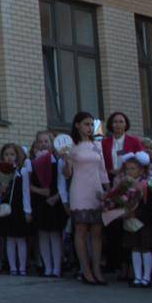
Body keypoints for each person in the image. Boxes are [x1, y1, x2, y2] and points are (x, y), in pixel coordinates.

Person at [62, 111, 110, 286]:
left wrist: (109, 191)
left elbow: (102, 170)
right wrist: (66, 161)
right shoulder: (71, 145)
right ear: (77, 125)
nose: (89, 127)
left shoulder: (97, 144)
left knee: (97, 232)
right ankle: (86, 270)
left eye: (91, 124)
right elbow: (67, 174)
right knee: (81, 230)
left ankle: (97, 269)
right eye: (86, 124)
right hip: (79, 190)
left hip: (96, 190)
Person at [107, 152, 152, 288]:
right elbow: (118, 198)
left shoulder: (147, 183)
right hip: (130, 219)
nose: (130, 171)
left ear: (141, 170)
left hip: (143, 221)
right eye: (127, 169)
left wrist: (137, 212)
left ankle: (146, 277)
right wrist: (120, 208)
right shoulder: (125, 185)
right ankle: (137, 276)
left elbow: (150, 204)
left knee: (145, 248)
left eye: (133, 169)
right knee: (134, 247)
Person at [101, 111, 143, 278]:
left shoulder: (134, 141)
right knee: (113, 225)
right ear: (110, 125)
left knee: (127, 224)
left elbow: (140, 162)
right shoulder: (105, 142)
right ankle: (116, 264)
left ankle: (129, 266)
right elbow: (101, 162)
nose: (118, 124)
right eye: (115, 122)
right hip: (111, 180)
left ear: (126, 124)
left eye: (121, 121)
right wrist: (110, 171)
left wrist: (126, 173)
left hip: (129, 182)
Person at [28, 131, 67, 278]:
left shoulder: (57, 161)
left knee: (55, 236)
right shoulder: (33, 162)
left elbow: (62, 183)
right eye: (40, 142)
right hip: (40, 202)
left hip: (54, 202)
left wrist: (56, 196)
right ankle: (47, 267)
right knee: (43, 235)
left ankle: (57, 267)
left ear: (52, 144)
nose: (43, 144)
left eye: (46, 141)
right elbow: (30, 184)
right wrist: (39, 191)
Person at [0, 143, 32, 276]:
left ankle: (22, 267)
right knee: (9, 239)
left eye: (12, 154)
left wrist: (28, 211)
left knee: (20, 239)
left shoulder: (22, 171)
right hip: (6, 208)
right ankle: (12, 268)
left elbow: (26, 193)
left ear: (17, 156)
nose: (9, 157)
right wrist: (0, 190)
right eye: (6, 154)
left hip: (18, 208)